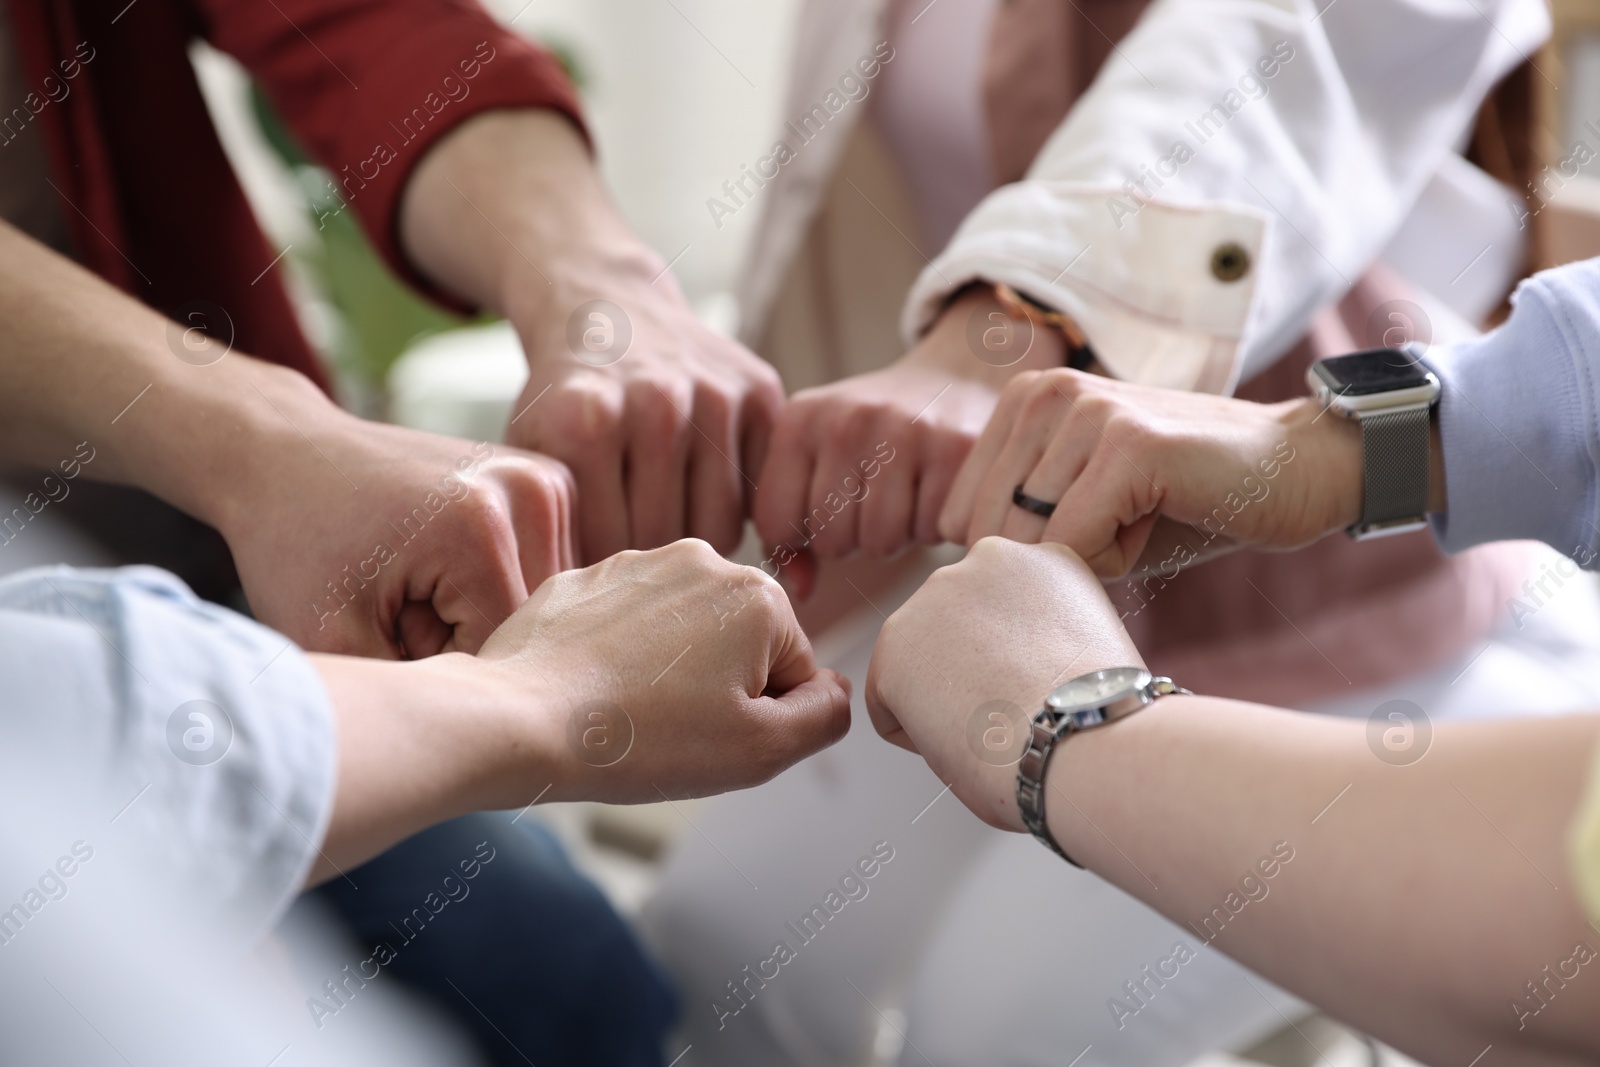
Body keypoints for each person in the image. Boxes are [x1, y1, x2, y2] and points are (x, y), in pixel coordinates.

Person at [643, 0, 1600, 1062]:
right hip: (1005, 554)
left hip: (1357, 604)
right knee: (723, 939)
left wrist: (1007, 330)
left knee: (999, 1033)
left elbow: (1273, 45)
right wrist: (1334, 444)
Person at [0, 1, 775, 1059]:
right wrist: (262, 443)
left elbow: (365, 23)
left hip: (205, 581)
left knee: (561, 978)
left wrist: (597, 281)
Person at [863, 257, 1600, 1057]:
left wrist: (1076, 720)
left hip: (1456, 668)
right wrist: (1328, 442)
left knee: (977, 1038)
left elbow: (1561, 934)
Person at [0, 542, 851, 1061]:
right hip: (89, 725)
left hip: (124, 658)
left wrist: (262, 441)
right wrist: (545, 693)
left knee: (575, 966)